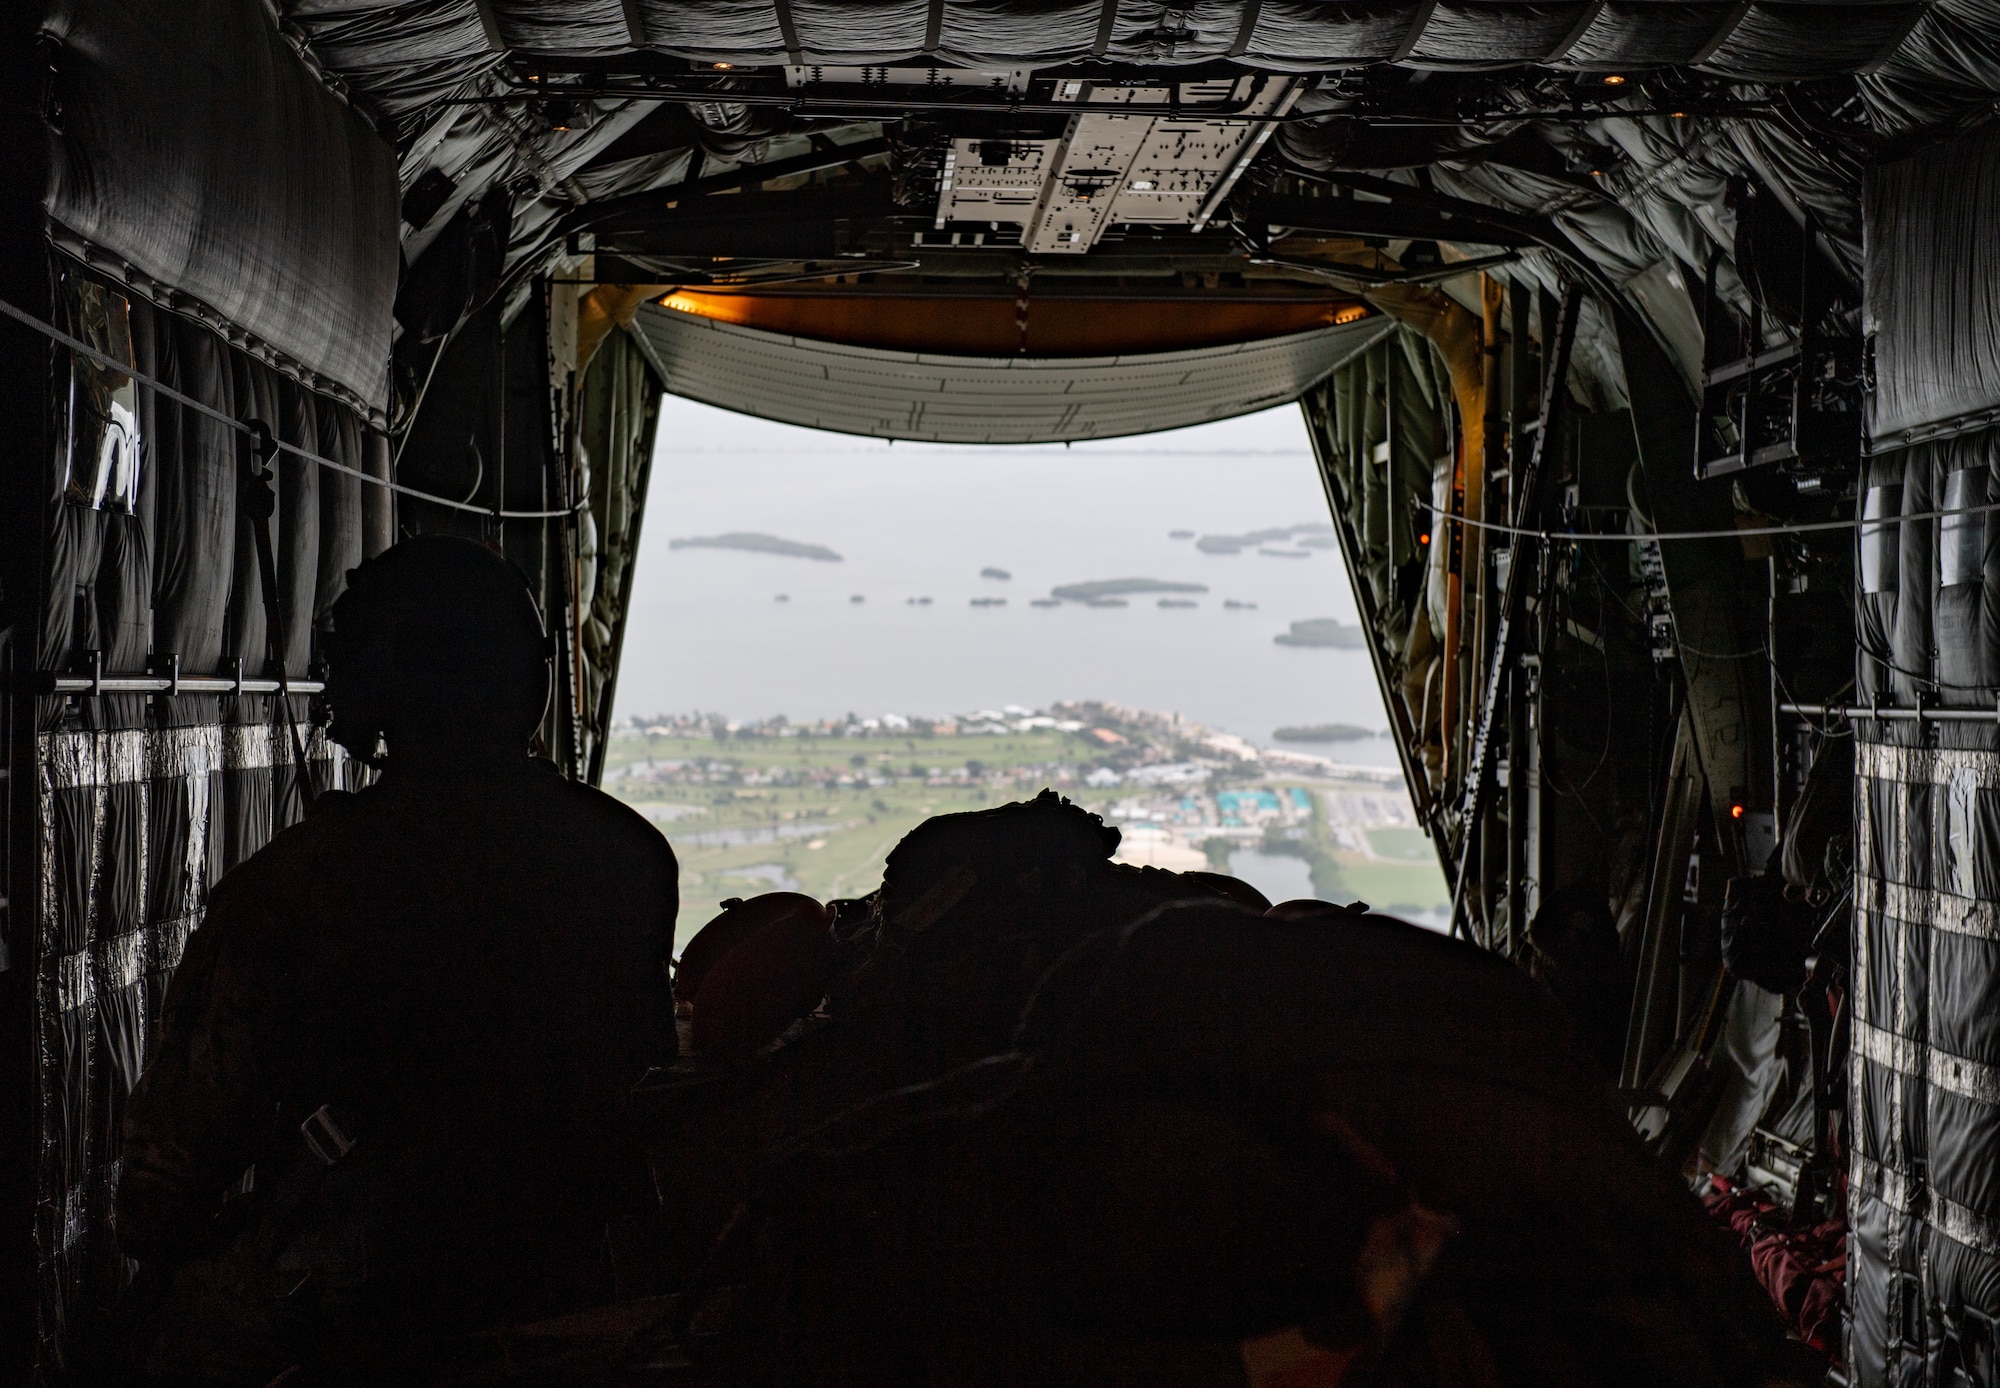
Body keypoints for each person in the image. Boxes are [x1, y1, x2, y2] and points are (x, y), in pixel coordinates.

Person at [116, 536, 679, 1383]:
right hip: (581, 1294)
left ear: (403, 676)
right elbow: (642, 1078)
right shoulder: (630, 856)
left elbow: (171, 1174)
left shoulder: (302, 884)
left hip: (363, 1317)